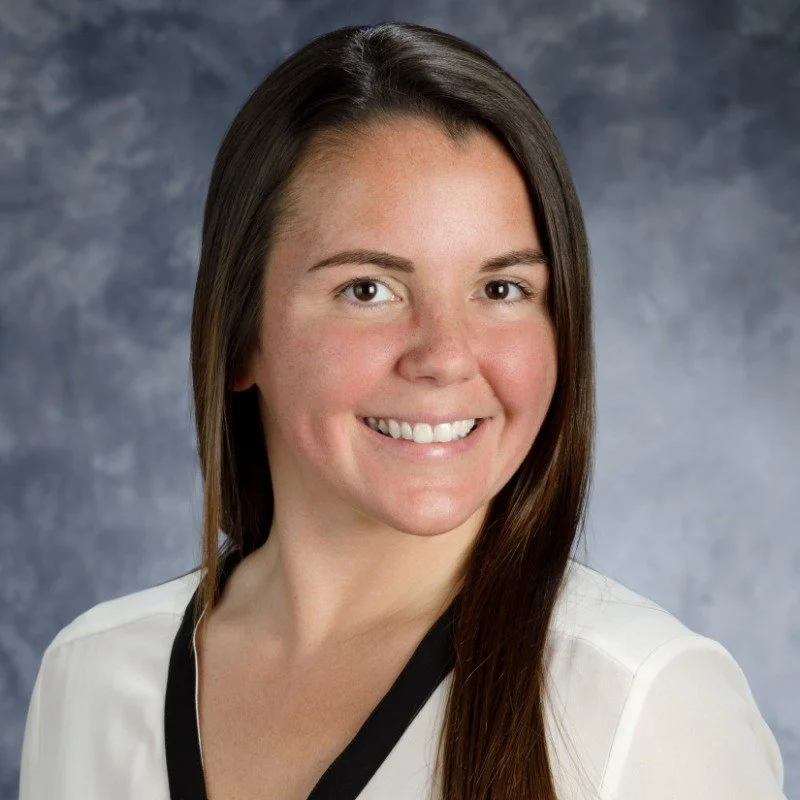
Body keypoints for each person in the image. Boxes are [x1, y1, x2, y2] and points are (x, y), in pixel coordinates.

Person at [19, 21, 787, 800]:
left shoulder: (645, 702)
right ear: (241, 336)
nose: (446, 356)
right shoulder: (90, 676)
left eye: (502, 289)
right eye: (368, 289)